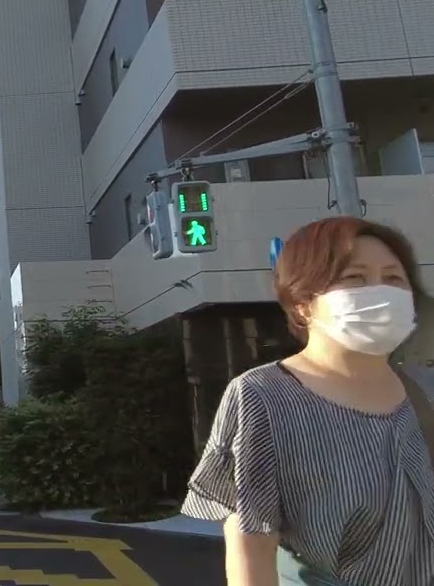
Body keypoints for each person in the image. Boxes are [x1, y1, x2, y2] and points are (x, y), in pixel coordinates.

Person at [182, 216, 434, 585]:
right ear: (302, 304)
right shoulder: (262, 396)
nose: (381, 292)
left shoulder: (424, 387)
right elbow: (251, 547)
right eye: (355, 278)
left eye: (394, 278)